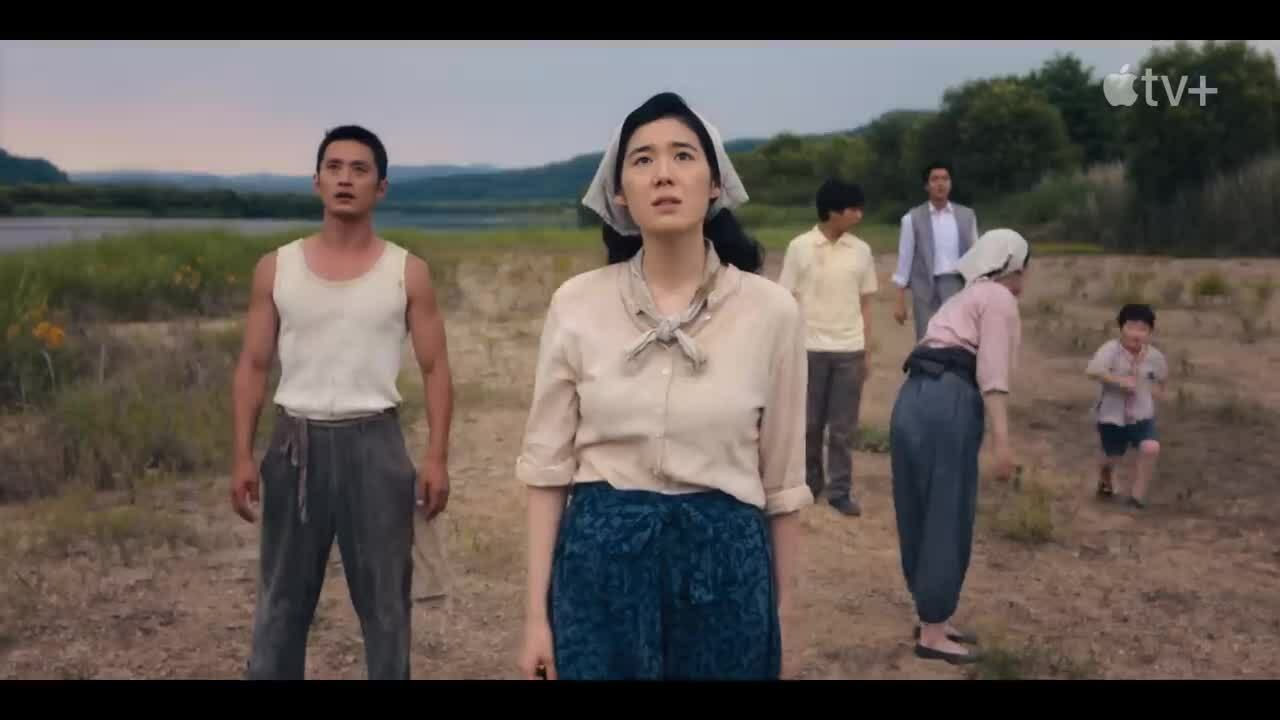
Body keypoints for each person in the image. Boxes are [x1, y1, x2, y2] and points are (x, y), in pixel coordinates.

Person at [515, 92, 809, 681]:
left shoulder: (771, 311)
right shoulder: (576, 304)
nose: (664, 174)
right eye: (643, 159)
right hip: (599, 568)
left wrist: (783, 620)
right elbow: (547, 471)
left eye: (683, 156)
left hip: (726, 570)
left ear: (715, 183)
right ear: (620, 191)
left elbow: (782, 484)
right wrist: (534, 619)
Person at [229, 124, 455, 680]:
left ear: (381, 187)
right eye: (333, 167)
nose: (345, 179)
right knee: (281, 603)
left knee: (386, 607)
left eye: (359, 169)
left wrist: (436, 457)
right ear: (316, 182)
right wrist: (241, 455)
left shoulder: (407, 272)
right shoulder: (277, 268)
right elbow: (253, 365)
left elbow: (435, 368)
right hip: (295, 444)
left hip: (375, 444)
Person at [888, 228, 1029, 665]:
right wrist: (1002, 443)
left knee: (917, 507)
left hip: (911, 397)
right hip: (948, 400)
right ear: (1013, 265)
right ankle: (933, 631)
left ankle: (932, 615)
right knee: (947, 510)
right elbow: (993, 375)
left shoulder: (961, 299)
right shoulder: (998, 298)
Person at [778, 179, 878, 517]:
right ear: (833, 211)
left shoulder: (861, 251)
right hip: (808, 348)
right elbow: (786, 298)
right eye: (853, 208)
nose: (859, 215)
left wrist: (866, 350)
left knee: (843, 428)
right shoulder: (799, 247)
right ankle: (809, 483)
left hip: (849, 348)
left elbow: (866, 303)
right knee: (808, 425)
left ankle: (840, 490)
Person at [1086, 303, 1167, 509]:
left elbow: (1161, 380)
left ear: (1150, 332)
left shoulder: (1155, 357)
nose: (1136, 334)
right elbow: (1093, 371)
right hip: (1112, 416)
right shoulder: (1110, 350)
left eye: (1142, 329)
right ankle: (1105, 475)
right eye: (1131, 327)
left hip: (1141, 416)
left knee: (1151, 447)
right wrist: (1119, 381)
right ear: (1121, 327)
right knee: (1112, 458)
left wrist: (1155, 393)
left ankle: (1136, 498)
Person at [891, 162, 980, 340]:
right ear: (927, 185)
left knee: (958, 339)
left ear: (951, 183)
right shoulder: (911, 219)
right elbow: (905, 259)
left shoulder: (967, 216)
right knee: (927, 340)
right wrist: (899, 300)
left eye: (945, 179)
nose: (940, 184)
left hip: (957, 285)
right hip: (924, 287)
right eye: (935, 179)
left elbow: (976, 255)